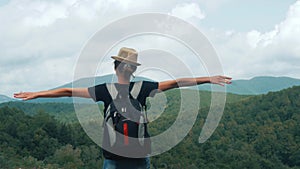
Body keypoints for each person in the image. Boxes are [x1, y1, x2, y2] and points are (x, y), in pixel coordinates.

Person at [14, 47, 232, 169]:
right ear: (133, 69)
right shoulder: (143, 87)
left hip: (114, 159)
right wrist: (208, 79)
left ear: (116, 66)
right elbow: (177, 82)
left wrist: (37, 94)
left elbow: (67, 92)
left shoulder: (105, 90)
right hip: (140, 158)